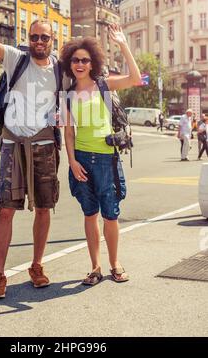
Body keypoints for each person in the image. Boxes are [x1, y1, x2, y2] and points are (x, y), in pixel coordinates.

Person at [0, 0, 61, 299]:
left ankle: (36, 266)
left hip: (45, 145)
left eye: (45, 37)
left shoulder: (61, 67)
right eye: (34, 36)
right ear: (29, 38)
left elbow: (90, 81)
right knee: (6, 210)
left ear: (53, 40)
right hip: (12, 144)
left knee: (43, 209)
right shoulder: (15, 57)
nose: (39, 41)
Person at [61, 24, 141, 285]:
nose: (80, 64)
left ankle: (115, 264)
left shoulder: (104, 85)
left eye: (85, 60)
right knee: (89, 213)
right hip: (81, 159)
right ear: (70, 63)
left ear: (92, 62)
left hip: (107, 158)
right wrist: (72, 161)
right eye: (75, 60)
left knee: (111, 214)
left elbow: (135, 78)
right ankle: (95, 267)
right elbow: (68, 132)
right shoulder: (67, 95)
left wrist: (123, 45)